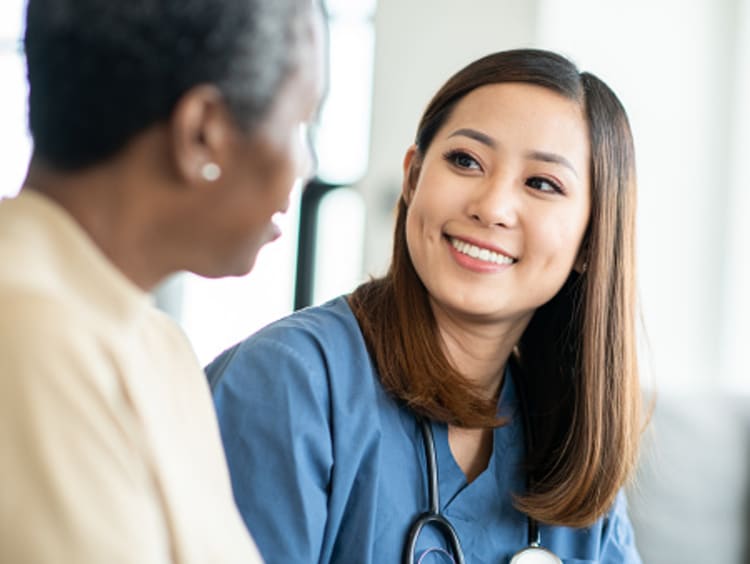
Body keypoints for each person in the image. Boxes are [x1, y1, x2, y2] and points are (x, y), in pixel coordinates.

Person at [207, 48, 643, 563]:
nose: (492, 207)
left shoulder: (567, 444)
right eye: (465, 161)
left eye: (542, 184)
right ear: (413, 178)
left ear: (593, 241)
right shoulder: (288, 382)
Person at [0, 0, 325, 562]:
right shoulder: (29, 337)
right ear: (203, 132)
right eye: (299, 122)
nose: (308, 166)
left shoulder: (161, 347)